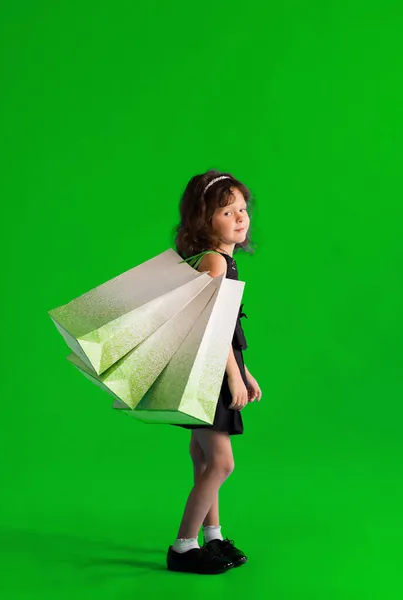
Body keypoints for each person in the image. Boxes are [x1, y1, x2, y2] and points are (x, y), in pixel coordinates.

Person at [166, 170, 262, 575]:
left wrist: (246, 370)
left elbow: (228, 326)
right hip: (208, 373)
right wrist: (234, 377)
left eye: (242, 209)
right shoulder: (214, 261)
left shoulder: (224, 260)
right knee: (221, 464)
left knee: (204, 459)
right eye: (227, 211)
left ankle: (213, 536)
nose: (241, 218)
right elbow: (212, 324)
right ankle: (183, 546)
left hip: (216, 366)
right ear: (204, 220)